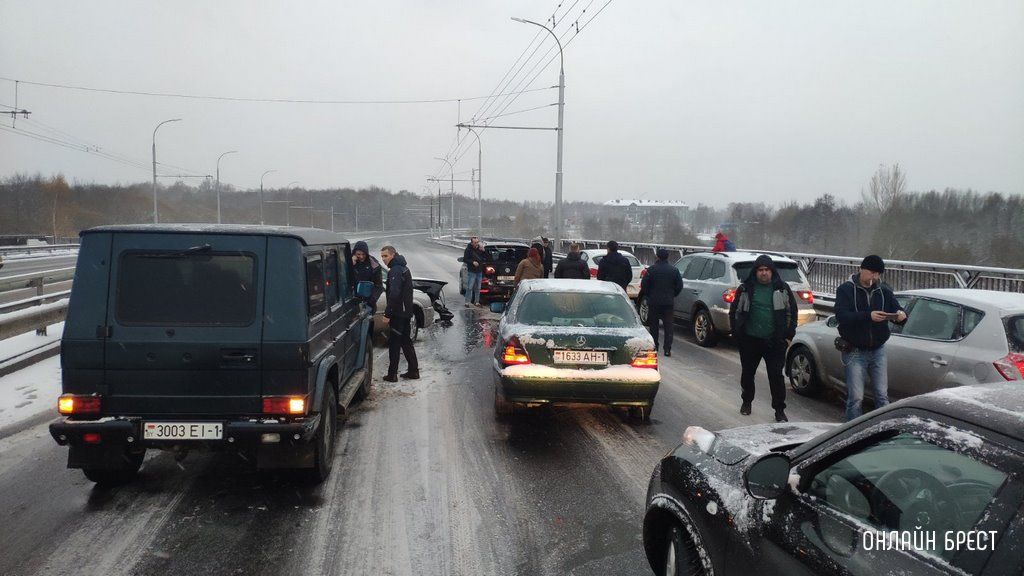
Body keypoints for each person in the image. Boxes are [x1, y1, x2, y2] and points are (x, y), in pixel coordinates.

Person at [835, 255, 907, 421]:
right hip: (854, 351)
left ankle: (882, 432)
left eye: (878, 274)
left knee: (882, 396)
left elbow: (897, 309)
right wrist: (868, 316)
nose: (874, 277)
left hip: (878, 350)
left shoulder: (884, 290)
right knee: (856, 398)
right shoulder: (846, 289)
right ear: (862, 269)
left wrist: (901, 316)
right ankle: (852, 435)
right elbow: (842, 315)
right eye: (872, 272)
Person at [728, 255, 798, 422]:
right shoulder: (746, 288)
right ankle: (746, 401)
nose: (764, 273)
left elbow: (791, 313)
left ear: (772, 271)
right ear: (756, 272)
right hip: (750, 340)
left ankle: (779, 410)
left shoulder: (781, 288)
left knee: (776, 376)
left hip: (775, 341)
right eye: (760, 270)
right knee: (747, 374)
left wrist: (788, 337)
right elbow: (734, 311)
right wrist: (737, 332)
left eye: (767, 270)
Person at [380, 245, 419, 382]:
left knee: (395, 343)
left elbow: (394, 294)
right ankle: (413, 371)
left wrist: (388, 314)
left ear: (393, 255)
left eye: (386, 256)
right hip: (406, 312)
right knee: (406, 341)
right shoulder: (403, 267)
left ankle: (392, 375)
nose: (383, 259)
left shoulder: (395, 270)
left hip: (399, 314)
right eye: (382, 257)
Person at [637, 249, 683, 356]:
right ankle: (667, 349)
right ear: (667, 257)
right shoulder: (674, 270)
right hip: (668, 302)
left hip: (654, 302)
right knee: (668, 326)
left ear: (657, 257)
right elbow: (679, 286)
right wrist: (672, 295)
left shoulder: (651, 270)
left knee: (654, 325)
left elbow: (644, 285)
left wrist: (649, 295)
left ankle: (655, 346)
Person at [351, 241, 384, 312]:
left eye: (363, 254)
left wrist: (372, 299)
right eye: (358, 254)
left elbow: (379, 286)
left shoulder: (374, 265)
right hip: (351, 303)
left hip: (367, 304)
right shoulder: (347, 261)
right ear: (354, 253)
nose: (361, 256)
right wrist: (350, 263)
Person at [462, 236, 488, 307]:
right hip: (472, 271)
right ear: (472, 242)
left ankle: (476, 302)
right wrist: (472, 262)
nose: (476, 244)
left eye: (477, 242)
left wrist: (483, 250)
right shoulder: (468, 250)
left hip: (479, 271)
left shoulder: (480, 249)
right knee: (470, 287)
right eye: (475, 242)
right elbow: (465, 259)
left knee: (478, 287)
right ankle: (467, 302)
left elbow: (486, 257)